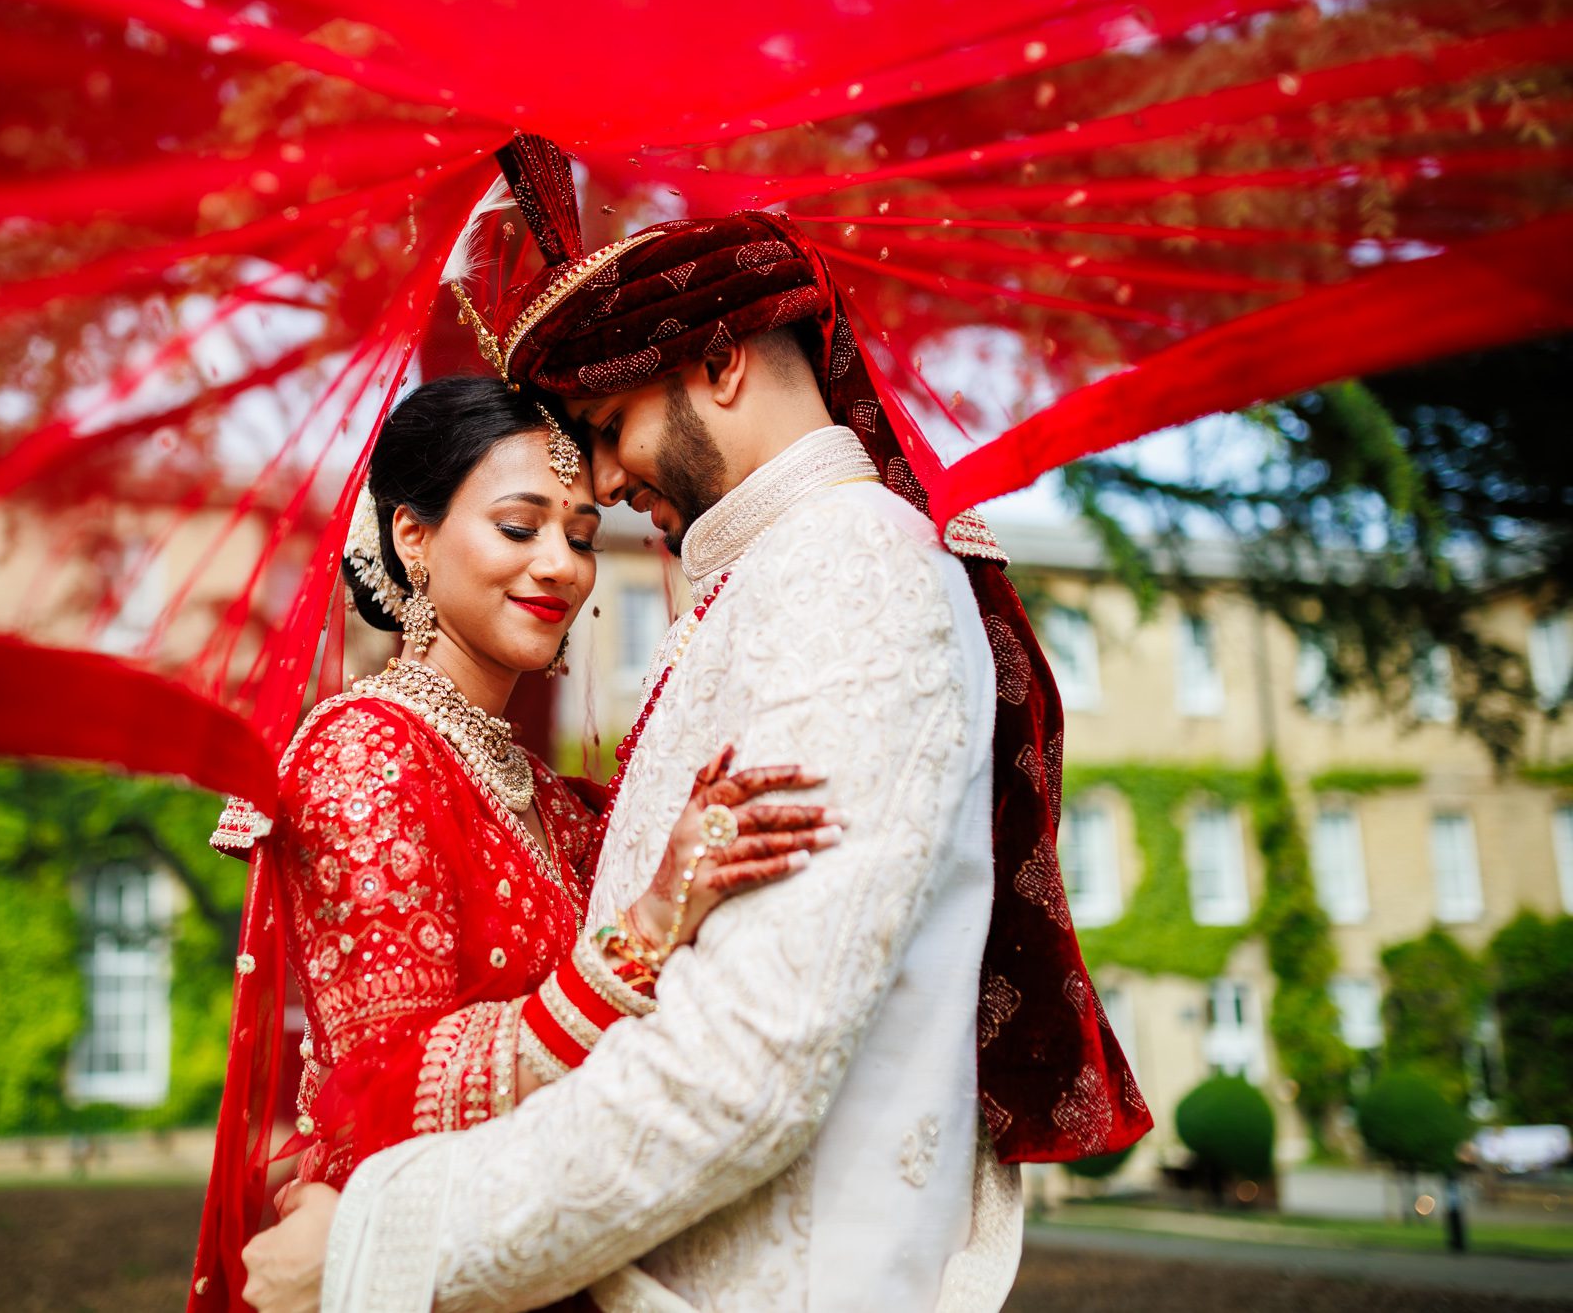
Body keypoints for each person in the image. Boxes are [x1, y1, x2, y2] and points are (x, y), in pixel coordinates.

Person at [239, 137, 1149, 1313]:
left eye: (609, 427)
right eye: (528, 514)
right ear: (411, 537)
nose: (602, 495)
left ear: (718, 361)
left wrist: (383, 1241)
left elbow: (745, 1067)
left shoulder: (844, 571)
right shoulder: (772, 578)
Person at [184, 374, 842, 1308]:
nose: (561, 568)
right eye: (519, 526)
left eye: (580, 537)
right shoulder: (361, 752)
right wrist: (649, 927)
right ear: (413, 536)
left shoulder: (553, 801)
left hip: (546, 1252)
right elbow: (385, 1091)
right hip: (397, 1259)